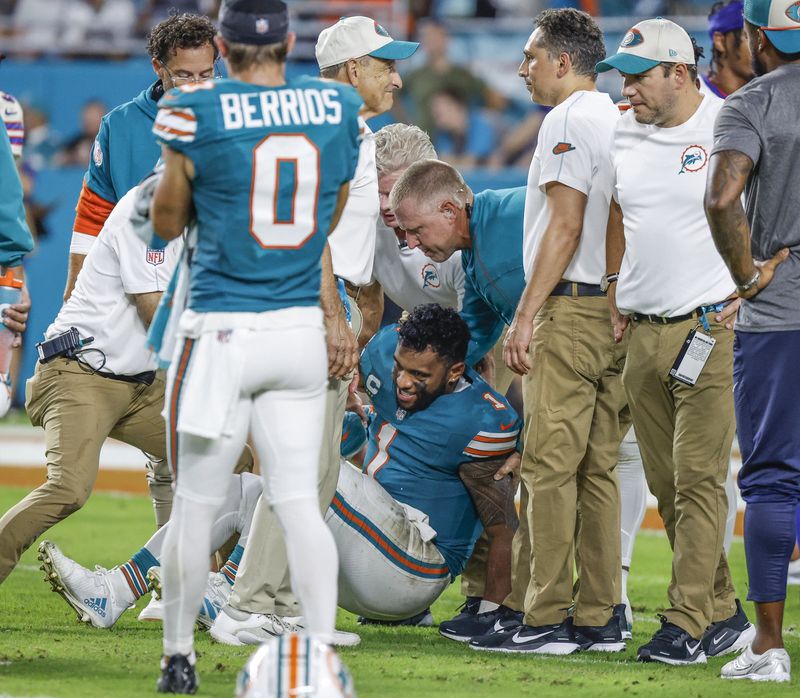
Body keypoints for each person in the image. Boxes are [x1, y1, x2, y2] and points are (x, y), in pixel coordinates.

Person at [41, 306, 522, 633]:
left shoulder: (483, 417)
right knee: (239, 488)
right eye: (400, 367)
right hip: (356, 551)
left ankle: (230, 585)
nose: (403, 381)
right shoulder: (382, 354)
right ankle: (114, 591)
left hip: (412, 572)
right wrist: (353, 421)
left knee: (313, 474)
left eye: (420, 376)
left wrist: (492, 612)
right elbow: (368, 438)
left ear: (456, 372)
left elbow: (502, 525)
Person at [148, 0, 363, 691]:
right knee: (298, 500)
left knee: (196, 506)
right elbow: (328, 209)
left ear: (221, 43)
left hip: (223, 328)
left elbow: (167, 218)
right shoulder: (333, 107)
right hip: (298, 325)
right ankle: (320, 656)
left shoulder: (194, 111)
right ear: (292, 41)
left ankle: (178, 656)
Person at [208, 15, 420, 647]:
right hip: (314, 303)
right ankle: (249, 605)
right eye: (384, 65)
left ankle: (278, 599)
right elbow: (312, 233)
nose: (396, 77)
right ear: (352, 70)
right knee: (301, 468)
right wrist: (333, 316)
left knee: (316, 464)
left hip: (308, 302)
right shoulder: (335, 128)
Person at [598, 17, 754, 666]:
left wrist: (755, 282)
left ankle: (686, 624)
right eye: (623, 77)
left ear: (681, 74)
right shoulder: (621, 128)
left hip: (709, 328)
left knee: (698, 481)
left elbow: (774, 208)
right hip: (642, 333)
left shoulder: (730, 124)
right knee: (668, 486)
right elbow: (615, 207)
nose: (627, 89)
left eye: (639, 78)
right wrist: (613, 281)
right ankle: (726, 613)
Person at [495, 8, 623, 655]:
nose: (523, 68)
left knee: (548, 468)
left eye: (531, 57)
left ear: (562, 62)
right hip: (612, 308)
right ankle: (600, 616)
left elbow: (565, 225)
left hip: (570, 308)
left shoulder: (568, 119)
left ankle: (543, 617)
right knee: (598, 469)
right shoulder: (617, 116)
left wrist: (526, 314)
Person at [0, 177, 185, 586]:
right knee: (69, 488)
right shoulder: (150, 207)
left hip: (139, 384)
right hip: (79, 372)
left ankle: (224, 591)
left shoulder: (201, 218)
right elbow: (153, 311)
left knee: (234, 464)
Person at [704, 0, 800, 682]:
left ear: (756, 35)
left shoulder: (752, 104)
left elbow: (720, 198)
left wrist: (748, 273)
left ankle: (768, 642)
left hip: (783, 312)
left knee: (771, 477)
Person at [64, 12, 217, 302]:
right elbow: (93, 215)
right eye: (185, 75)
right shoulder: (119, 125)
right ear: (159, 67)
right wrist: (74, 294)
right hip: (139, 285)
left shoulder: (232, 115)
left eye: (206, 74)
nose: (198, 86)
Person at [371, 123, 464, 317]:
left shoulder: (463, 243)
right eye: (377, 192)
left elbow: (479, 335)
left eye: (395, 193)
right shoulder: (364, 226)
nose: (384, 205)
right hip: (420, 319)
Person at [702, 0, 754, 99]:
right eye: (749, 36)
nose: (759, 47)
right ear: (720, 41)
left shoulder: (769, 96)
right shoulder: (692, 96)